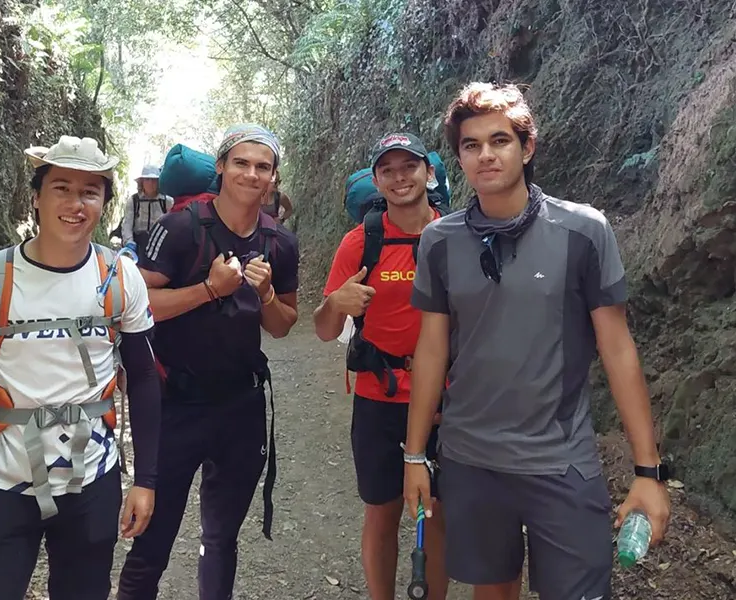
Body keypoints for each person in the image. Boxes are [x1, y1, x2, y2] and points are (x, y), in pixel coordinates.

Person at [404, 82, 671, 600]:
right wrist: (415, 457)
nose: (486, 155)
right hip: (471, 459)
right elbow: (432, 351)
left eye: (499, 141)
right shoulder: (439, 242)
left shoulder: (583, 231)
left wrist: (647, 471)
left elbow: (617, 350)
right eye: (471, 145)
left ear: (526, 148)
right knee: (492, 590)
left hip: (561, 460)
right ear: (457, 158)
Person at [0, 135, 162, 600]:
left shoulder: (120, 279)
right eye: (61, 188)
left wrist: (146, 481)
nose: (76, 204)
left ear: (105, 203)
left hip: (91, 480)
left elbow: (146, 378)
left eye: (90, 192)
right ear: (35, 197)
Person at [117, 123, 300, 600]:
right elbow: (140, 307)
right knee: (152, 540)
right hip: (176, 403)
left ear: (274, 178)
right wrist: (209, 290)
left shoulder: (280, 243)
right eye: (241, 162)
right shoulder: (179, 228)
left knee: (220, 539)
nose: (251, 173)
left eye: (263, 166)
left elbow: (282, 325)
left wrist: (264, 293)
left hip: (241, 406)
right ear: (221, 167)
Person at [312, 132, 449, 600]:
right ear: (376, 180)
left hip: (445, 397)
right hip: (380, 395)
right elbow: (325, 330)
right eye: (387, 170)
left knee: (437, 512)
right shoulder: (360, 242)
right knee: (382, 510)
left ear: (429, 172)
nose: (399, 177)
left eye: (408, 166)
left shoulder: (455, 236)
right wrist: (337, 301)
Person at [122, 164, 173, 257]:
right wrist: (129, 242)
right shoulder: (134, 200)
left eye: (154, 180)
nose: (150, 183)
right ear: (142, 182)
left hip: (160, 243)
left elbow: (172, 224)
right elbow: (127, 224)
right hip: (138, 243)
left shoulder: (167, 201)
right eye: (147, 179)